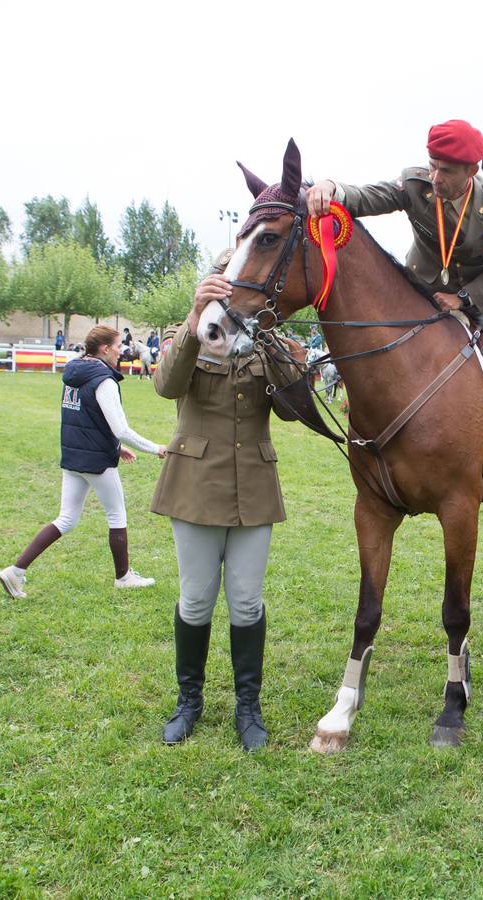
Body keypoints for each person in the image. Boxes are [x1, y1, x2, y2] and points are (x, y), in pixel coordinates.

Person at [305, 118, 483, 498]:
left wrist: (464, 300)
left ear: (472, 170)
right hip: (426, 293)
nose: (434, 176)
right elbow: (371, 197)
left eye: (445, 170)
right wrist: (333, 188)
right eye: (431, 165)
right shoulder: (416, 184)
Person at [151, 255, 305, 751]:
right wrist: (196, 321)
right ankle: (188, 702)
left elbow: (290, 409)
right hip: (195, 485)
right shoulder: (191, 333)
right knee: (196, 598)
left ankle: (247, 708)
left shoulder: (263, 340)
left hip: (254, 488)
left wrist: (274, 341)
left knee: (245, 601)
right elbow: (166, 385)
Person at [0, 325, 165, 599]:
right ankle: (123, 577)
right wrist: (155, 447)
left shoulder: (75, 372)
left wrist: (117, 448)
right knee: (117, 515)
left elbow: (88, 418)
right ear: (104, 348)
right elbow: (119, 428)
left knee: (67, 519)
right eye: (118, 345)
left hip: (75, 456)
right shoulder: (104, 380)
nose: (121, 349)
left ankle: (16, 571)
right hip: (96, 460)